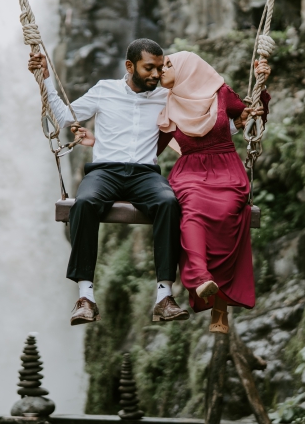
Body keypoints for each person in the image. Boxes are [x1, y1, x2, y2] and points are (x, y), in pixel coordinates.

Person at [28, 39, 190, 326]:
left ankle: (164, 296)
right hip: (105, 172)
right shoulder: (104, 90)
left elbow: (201, 117)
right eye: (149, 68)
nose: (156, 74)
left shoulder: (166, 97)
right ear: (130, 66)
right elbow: (65, 116)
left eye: (159, 68)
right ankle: (85, 297)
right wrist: (46, 81)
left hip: (144, 174)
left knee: (168, 203)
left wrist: (242, 117)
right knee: (85, 203)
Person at [157, 51, 269, 334]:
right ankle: (200, 276)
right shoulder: (164, 105)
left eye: (168, 65)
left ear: (187, 68)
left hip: (226, 168)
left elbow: (252, 116)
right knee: (192, 209)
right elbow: (148, 147)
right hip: (190, 173)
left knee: (229, 213)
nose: (161, 71)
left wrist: (261, 87)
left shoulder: (220, 94)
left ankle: (221, 306)